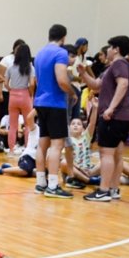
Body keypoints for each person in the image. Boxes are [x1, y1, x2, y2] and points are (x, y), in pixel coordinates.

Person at [76, 35, 129, 202]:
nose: (107, 50)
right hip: (122, 116)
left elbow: (123, 84)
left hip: (115, 117)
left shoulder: (119, 64)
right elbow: (95, 85)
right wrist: (83, 74)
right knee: (116, 154)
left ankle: (103, 190)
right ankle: (114, 189)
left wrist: (111, 108)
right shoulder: (111, 67)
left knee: (106, 153)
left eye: (109, 47)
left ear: (116, 49)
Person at [33, 24, 74, 198]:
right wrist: (72, 92)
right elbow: (62, 79)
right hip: (55, 103)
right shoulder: (61, 53)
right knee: (57, 145)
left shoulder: (40, 53)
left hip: (40, 102)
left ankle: (40, 182)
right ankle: (52, 185)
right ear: (63, 38)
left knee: (43, 144)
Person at [3, 42, 35, 155]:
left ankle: (11, 149)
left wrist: (11, 90)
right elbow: (31, 84)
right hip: (25, 95)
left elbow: (5, 83)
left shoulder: (11, 68)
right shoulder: (30, 68)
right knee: (27, 124)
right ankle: (27, 149)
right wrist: (31, 94)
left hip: (13, 96)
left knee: (13, 125)